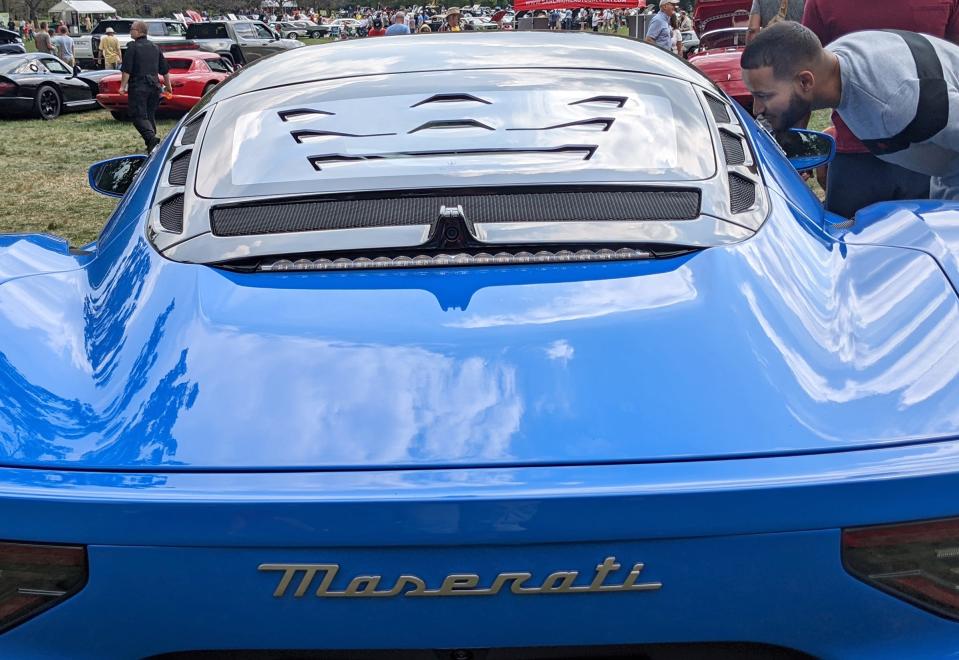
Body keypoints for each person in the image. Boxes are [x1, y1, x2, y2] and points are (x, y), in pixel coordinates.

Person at [741, 22, 959, 202]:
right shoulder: (837, 59)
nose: (757, 108)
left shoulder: (895, 101)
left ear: (806, 81)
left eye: (764, 96)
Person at [800, 0, 959, 216]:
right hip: (926, 154)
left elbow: (802, 79)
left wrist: (798, 150)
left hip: (859, 158)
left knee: (851, 243)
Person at [119, 21, 171, 153]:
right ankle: (152, 147)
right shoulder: (155, 47)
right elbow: (164, 70)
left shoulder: (132, 47)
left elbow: (127, 70)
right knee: (149, 115)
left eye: (132, 29)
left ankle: (151, 138)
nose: (130, 31)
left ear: (139, 31)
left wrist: (122, 87)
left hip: (139, 87)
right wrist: (168, 87)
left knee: (138, 116)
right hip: (155, 87)